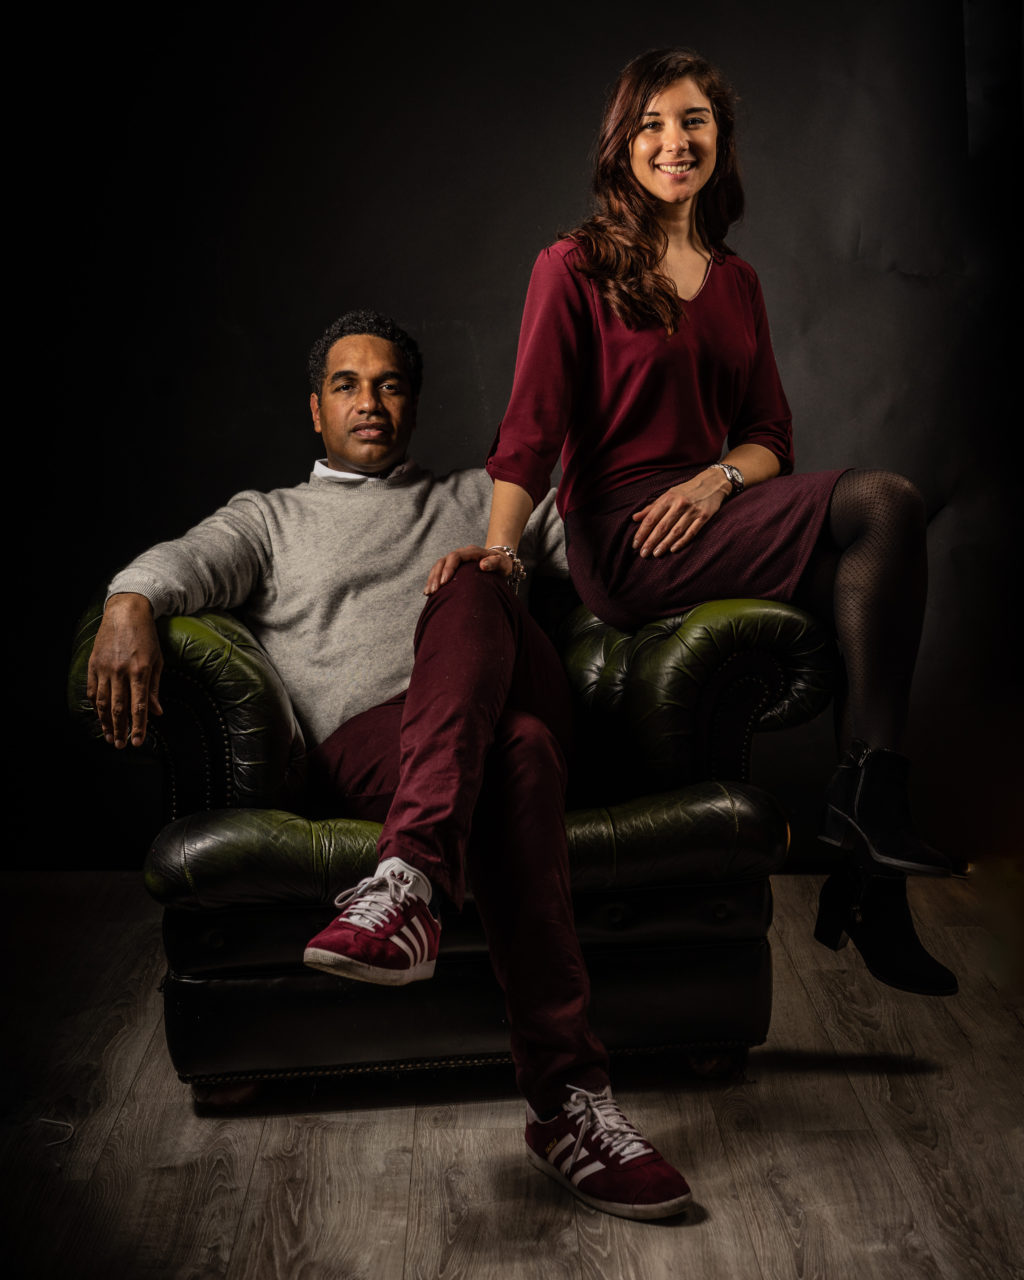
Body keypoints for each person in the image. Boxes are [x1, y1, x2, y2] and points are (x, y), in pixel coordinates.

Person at [86, 309, 692, 1221]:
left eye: (390, 384)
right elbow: (184, 561)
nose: (370, 401)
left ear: (414, 403)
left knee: (476, 574)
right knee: (520, 750)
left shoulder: (486, 496)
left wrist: (711, 479)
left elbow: (612, 549)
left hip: (496, 701)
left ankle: (407, 879)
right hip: (377, 750)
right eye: (347, 385)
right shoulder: (269, 519)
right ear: (316, 409)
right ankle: (568, 1104)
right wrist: (128, 602)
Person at [428, 47, 960, 998]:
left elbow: (769, 439)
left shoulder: (737, 281)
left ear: (721, 139)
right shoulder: (573, 265)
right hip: (627, 538)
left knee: (864, 575)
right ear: (622, 144)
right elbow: (530, 431)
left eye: (694, 122)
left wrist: (717, 480)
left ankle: (871, 876)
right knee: (886, 503)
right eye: (652, 124)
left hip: (712, 512)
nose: (674, 142)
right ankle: (870, 816)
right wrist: (502, 553)